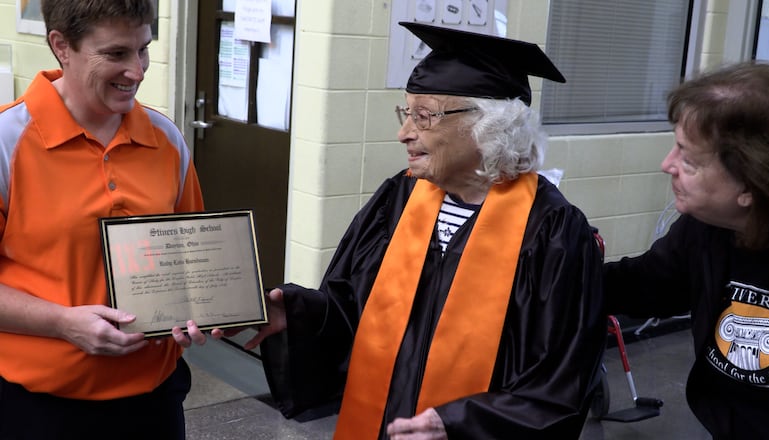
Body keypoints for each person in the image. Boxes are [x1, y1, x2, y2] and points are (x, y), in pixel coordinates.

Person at [223, 22, 606, 439]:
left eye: (423, 116)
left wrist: (460, 424)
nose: (404, 133)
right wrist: (297, 315)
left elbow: (557, 384)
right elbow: (353, 310)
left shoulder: (552, 232)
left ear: (491, 126)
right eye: (406, 114)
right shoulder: (398, 199)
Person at [0, 0, 207, 438]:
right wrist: (62, 323)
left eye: (144, 49)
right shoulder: (7, 143)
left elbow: (192, 259)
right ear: (62, 46)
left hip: (154, 400)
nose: (137, 70)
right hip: (36, 407)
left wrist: (204, 312)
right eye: (115, 54)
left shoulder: (166, 139)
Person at [604, 61, 769, 439]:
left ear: (752, 185)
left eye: (689, 160)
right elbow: (645, 285)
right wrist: (550, 262)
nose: (667, 165)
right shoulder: (706, 229)